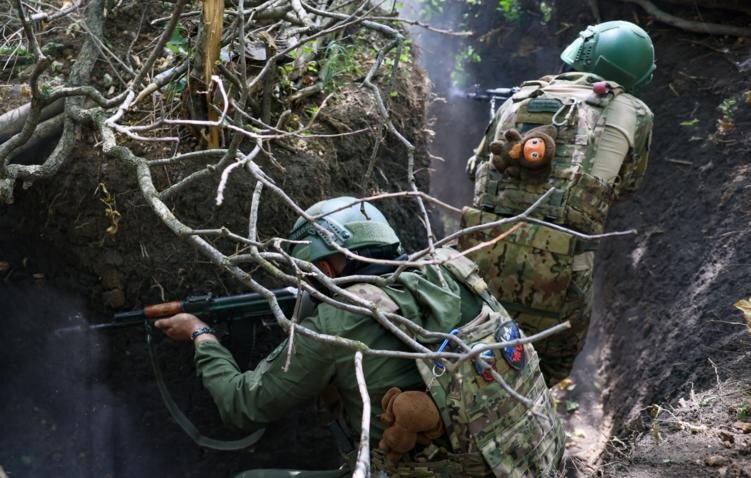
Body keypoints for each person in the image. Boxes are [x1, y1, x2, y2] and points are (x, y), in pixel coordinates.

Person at [155, 196, 564, 477]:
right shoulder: (451, 268)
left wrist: (200, 333)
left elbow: (243, 405)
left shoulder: (339, 324)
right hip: (532, 460)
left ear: (328, 269)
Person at [461, 20, 655, 386]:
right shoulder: (636, 112)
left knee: (473, 355)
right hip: (561, 272)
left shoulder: (520, 96)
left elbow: (476, 170)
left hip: (480, 260)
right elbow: (625, 186)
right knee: (546, 370)